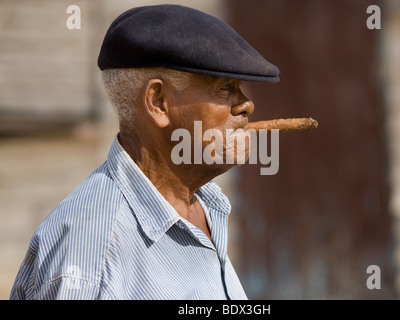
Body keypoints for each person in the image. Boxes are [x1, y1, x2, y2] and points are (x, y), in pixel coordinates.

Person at [10, 4, 279, 300]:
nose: (246, 105)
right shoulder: (93, 252)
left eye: (239, 87)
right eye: (224, 87)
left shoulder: (206, 207)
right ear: (159, 102)